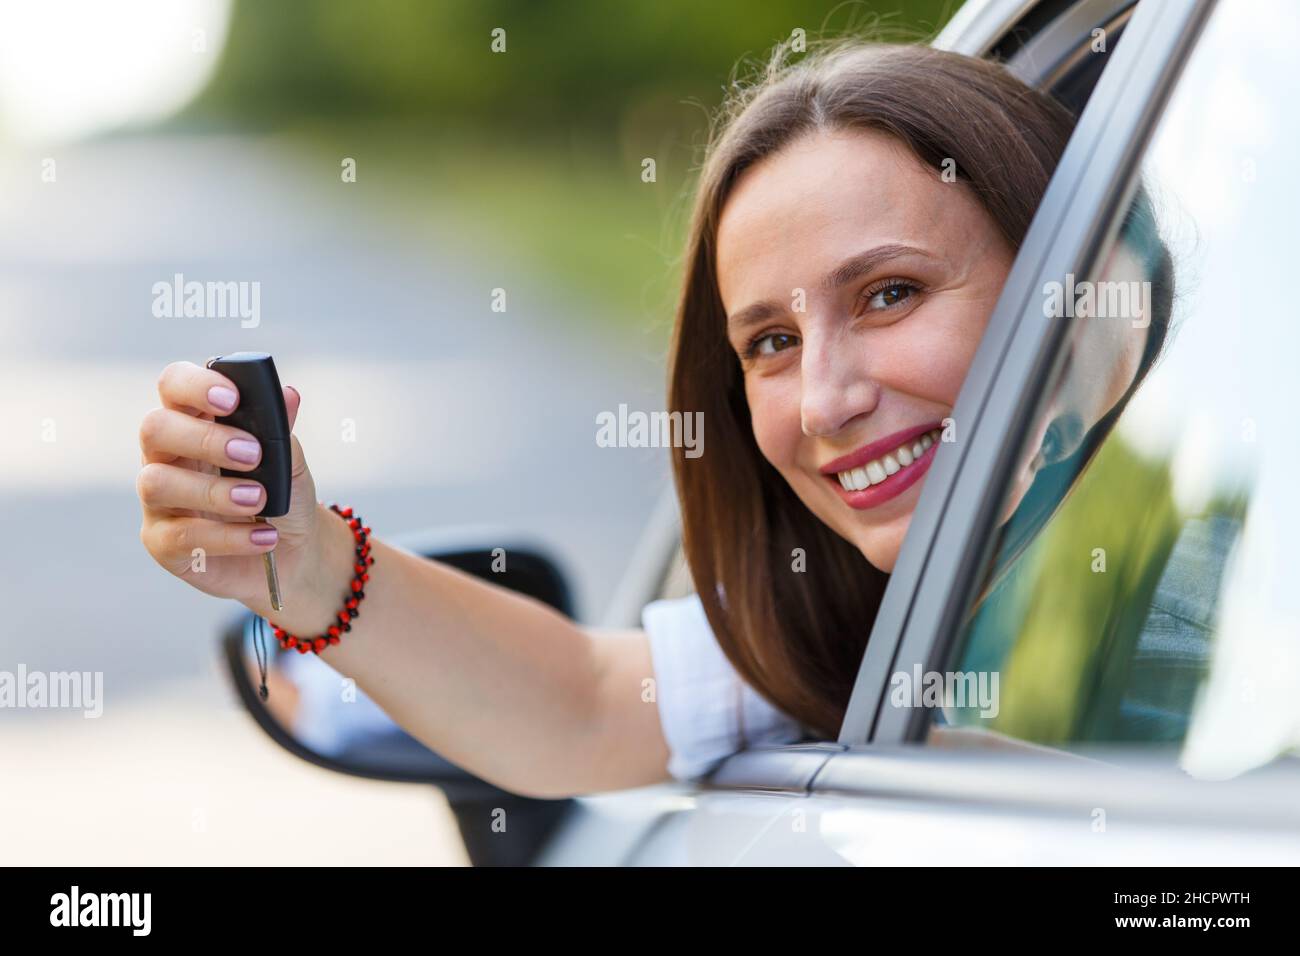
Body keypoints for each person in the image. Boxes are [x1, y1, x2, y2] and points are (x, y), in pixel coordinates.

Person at [136, 39, 1169, 798]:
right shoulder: (843, 631)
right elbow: (584, 700)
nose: (824, 399)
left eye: (889, 293)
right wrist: (308, 563)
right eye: (769, 341)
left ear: (1085, 296)